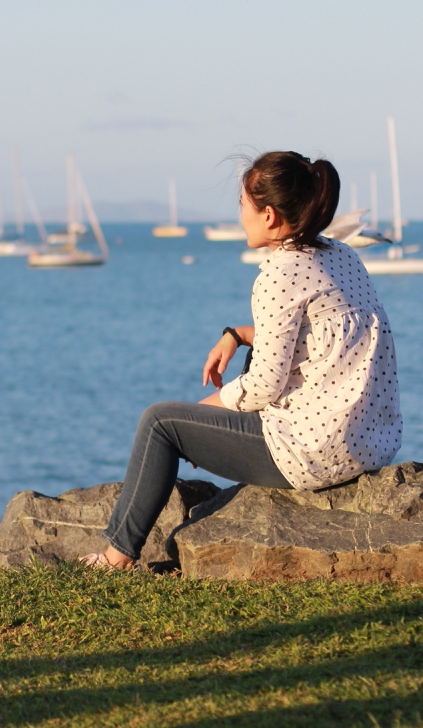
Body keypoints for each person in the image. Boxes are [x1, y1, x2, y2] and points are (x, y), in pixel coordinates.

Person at [81, 151, 402, 570]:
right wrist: (236, 334)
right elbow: (319, 338)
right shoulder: (341, 256)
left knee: (160, 424)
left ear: (268, 215)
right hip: (372, 443)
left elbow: (266, 385)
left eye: (242, 206)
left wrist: (203, 414)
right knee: (202, 406)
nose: (240, 216)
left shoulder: (278, 272)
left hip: (315, 452)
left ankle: (115, 557)